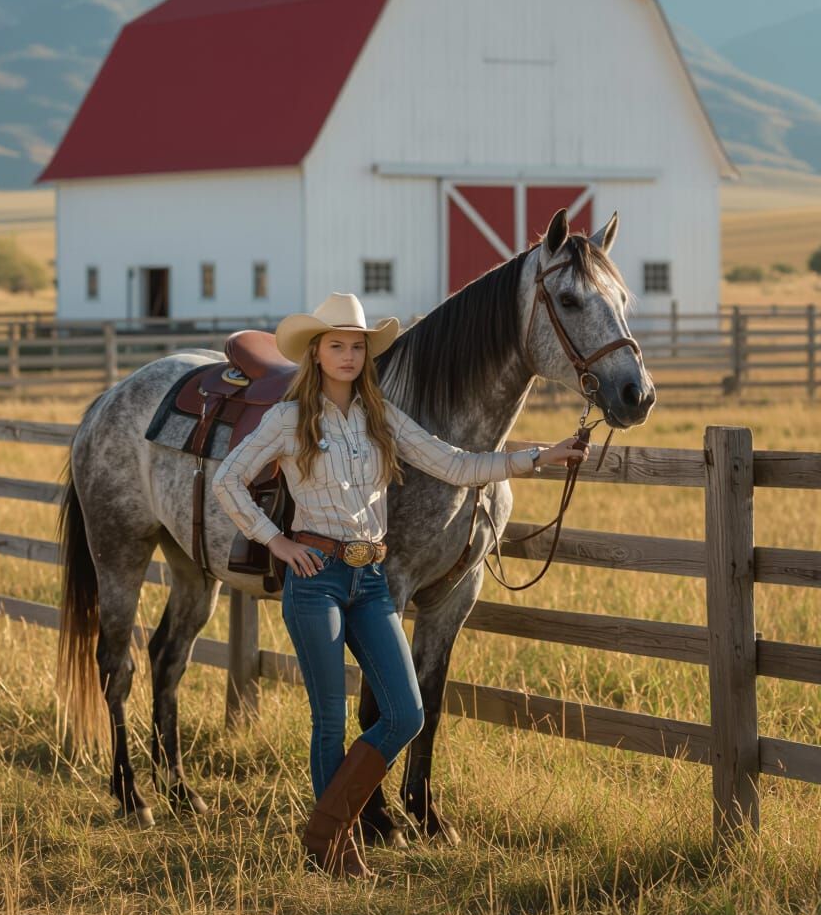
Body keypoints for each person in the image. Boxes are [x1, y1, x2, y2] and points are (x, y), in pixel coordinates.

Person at [213, 293, 588, 878]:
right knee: (329, 719)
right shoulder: (288, 419)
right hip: (316, 578)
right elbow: (229, 480)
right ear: (316, 353)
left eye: (356, 347)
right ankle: (335, 849)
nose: (347, 356)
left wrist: (541, 456)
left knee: (406, 713)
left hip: (370, 580)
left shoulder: (382, 416)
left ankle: (322, 832)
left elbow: (458, 464)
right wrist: (276, 542)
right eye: (336, 345)